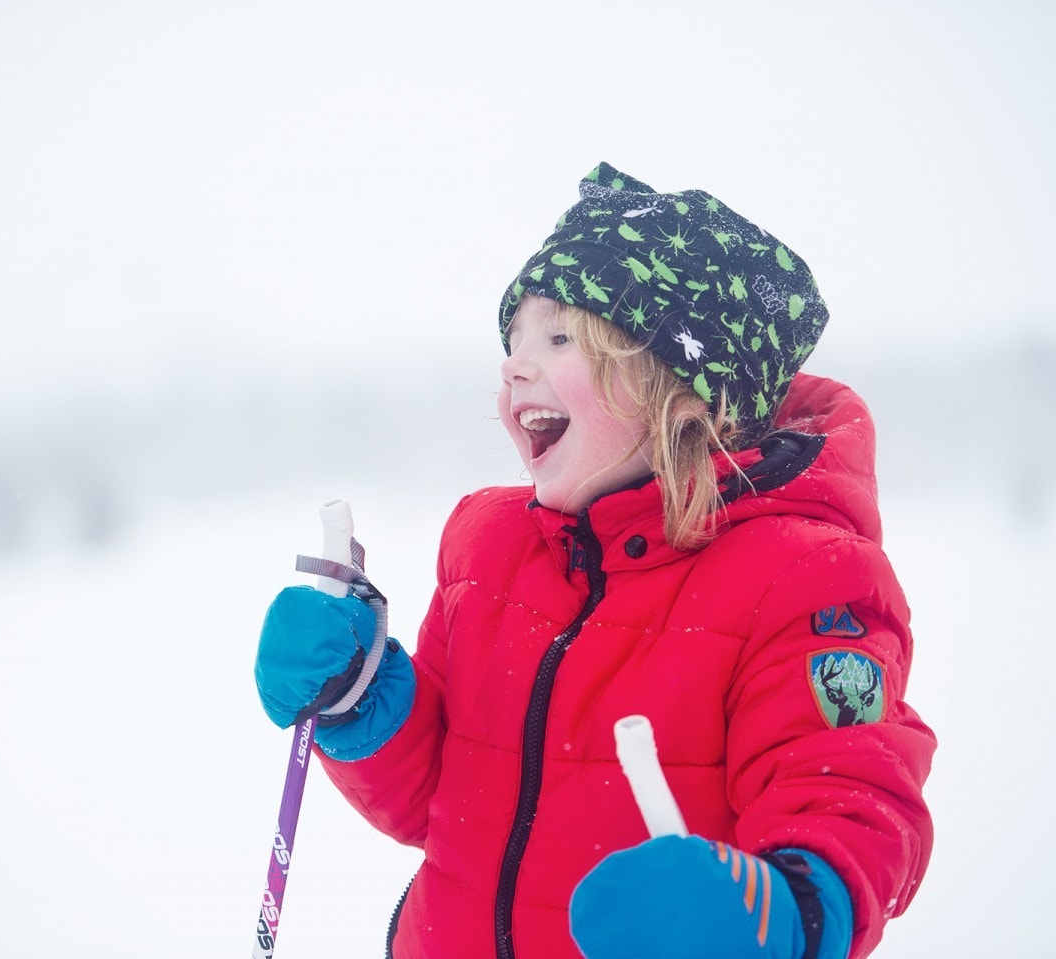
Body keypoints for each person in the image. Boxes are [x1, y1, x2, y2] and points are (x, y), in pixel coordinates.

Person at [255, 162, 935, 959]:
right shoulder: (488, 553)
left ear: (674, 385)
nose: (513, 365)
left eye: (557, 336)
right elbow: (443, 799)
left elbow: (851, 791)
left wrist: (785, 912)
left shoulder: (799, 578)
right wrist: (359, 700)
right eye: (511, 341)